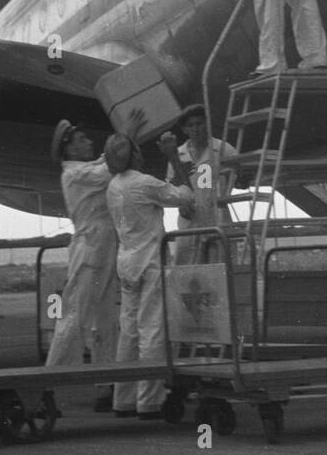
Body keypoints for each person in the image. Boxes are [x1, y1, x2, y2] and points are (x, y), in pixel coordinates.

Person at [104, 133, 194, 418]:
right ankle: (148, 401)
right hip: (150, 262)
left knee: (128, 331)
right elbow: (186, 196)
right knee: (152, 329)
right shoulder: (144, 183)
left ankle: (123, 399)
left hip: (127, 262)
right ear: (132, 156)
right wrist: (173, 159)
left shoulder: (112, 186)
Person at [45, 119, 120, 412]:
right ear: (71, 149)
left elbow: (104, 161)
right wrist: (127, 135)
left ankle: (105, 385)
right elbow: (108, 168)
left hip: (104, 247)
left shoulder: (83, 169)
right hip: (89, 249)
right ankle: (45, 384)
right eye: (83, 140)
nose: (90, 143)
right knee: (74, 317)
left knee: (106, 320)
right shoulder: (75, 174)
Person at [163, 105, 237, 266]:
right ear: (184, 129)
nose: (196, 128)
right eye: (191, 125)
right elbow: (171, 187)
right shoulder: (178, 155)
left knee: (220, 271)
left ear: (207, 124)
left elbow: (238, 175)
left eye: (199, 123)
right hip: (189, 221)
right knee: (190, 273)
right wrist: (181, 204)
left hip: (217, 217)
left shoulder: (223, 149)